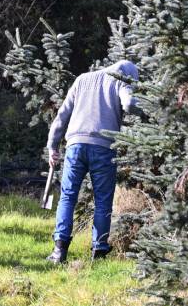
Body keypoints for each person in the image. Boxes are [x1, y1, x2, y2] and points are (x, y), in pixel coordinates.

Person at [45, 60, 140, 263]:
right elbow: (130, 104)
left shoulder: (82, 80)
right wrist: (149, 110)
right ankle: (99, 252)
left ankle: (59, 251)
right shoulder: (121, 81)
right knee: (103, 201)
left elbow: (62, 116)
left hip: (75, 146)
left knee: (68, 197)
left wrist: (52, 146)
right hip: (103, 148)